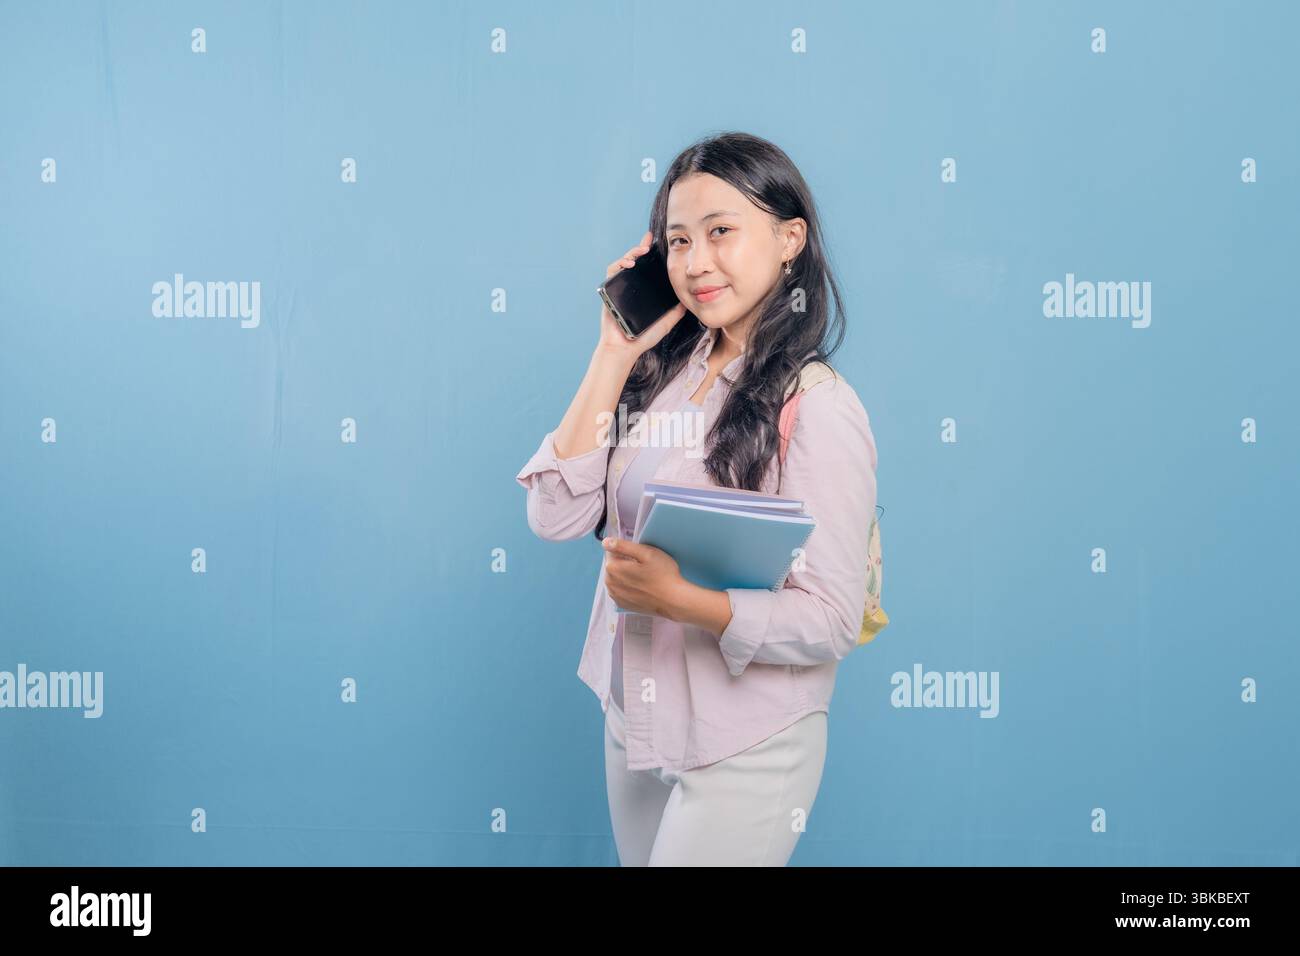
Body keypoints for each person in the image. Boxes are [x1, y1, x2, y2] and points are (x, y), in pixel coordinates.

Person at [515, 131, 878, 866]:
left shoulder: (820, 406)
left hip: (746, 739)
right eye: (677, 242)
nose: (696, 262)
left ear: (788, 239)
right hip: (636, 716)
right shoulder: (663, 379)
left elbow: (833, 619)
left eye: (721, 232)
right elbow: (554, 516)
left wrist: (682, 600)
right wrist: (614, 353)